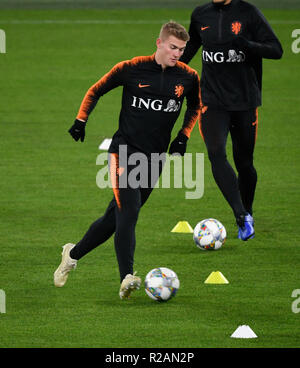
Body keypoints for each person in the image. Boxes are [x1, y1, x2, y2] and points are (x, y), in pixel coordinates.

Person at [54, 21, 201, 299]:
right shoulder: (131, 68)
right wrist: (80, 120)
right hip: (124, 153)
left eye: (181, 49)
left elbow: (196, 106)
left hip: (155, 159)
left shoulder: (188, 77)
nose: (177, 54)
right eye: (173, 47)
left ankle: (71, 255)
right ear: (158, 43)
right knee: (129, 212)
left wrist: (183, 135)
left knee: (114, 219)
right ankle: (127, 277)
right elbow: (95, 89)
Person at [180, 0, 283, 240]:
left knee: (244, 162)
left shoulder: (248, 12)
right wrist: (167, 69)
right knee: (216, 153)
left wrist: (246, 45)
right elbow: (193, 45)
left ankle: (248, 210)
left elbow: (276, 50)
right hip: (212, 100)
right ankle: (241, 216)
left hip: (245, 101)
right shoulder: (200, 14)